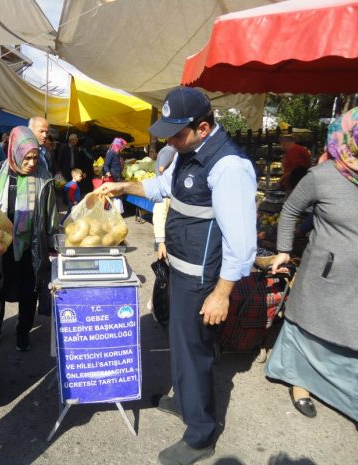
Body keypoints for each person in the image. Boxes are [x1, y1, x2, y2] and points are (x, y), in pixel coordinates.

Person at [96, 86, 256, 465]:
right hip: (180, 269)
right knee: (179, 344)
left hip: (203, 280)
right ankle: (182, 401)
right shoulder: (188, 153)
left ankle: (201, 435)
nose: (170, 140)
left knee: (195, 352)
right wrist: (125, 185)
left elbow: (243, 244)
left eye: (177, 133)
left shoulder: (229, 166)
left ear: (203, 127)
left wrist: (222, 293)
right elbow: (161, 187)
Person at [266, 106, 358, 451]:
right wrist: (283, 249)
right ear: (355, 136)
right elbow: (292, 210)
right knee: (312, 339)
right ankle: (300, 383)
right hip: (326, 279)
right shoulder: (323, 175)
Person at [0, 126, 58, 352]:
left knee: (28, 294)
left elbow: (51, 216)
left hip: (29, 248)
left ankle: (22, 333)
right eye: (27, 158)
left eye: (35, 157)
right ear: (14, 152)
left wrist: (53, 245)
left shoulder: (44, 179)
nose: (32, 163)